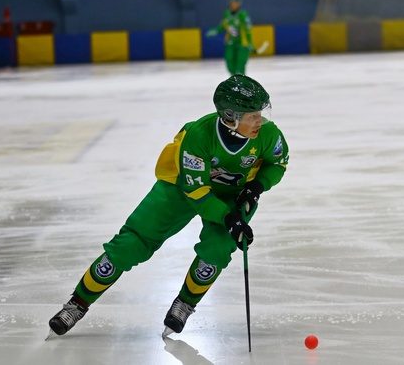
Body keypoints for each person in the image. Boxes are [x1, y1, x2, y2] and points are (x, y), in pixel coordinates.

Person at [48, 74, 289, 338]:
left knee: (218, 248)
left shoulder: (267, 133)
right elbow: (197, 191)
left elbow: (277, 163)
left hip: (233, 193)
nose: (260, 120)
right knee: (131, 243)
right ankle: (77, 303)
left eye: (260, 113)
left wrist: (256, 188)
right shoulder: (198, 136)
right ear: (230, 116)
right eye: (252, 115)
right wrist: (228, 218)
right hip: (182, 187)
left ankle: (185, 303)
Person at [206, 0, 255, 75]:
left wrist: (250, 42)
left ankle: (241, 84)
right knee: (230, 65)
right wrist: (215, 31)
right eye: (231, 3)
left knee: (240, 66)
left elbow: (248, 29)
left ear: (239, 4)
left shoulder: (243, 15)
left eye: (235, 3)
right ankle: (234, 82)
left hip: (242, 44)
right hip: (230, 43)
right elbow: (223, 26)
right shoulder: (226, 14)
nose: (232, 5)